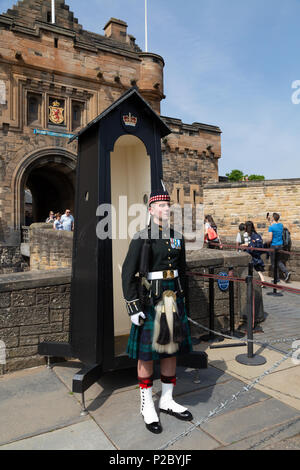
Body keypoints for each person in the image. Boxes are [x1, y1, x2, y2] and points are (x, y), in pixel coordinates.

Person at [122, 188, 193, 434]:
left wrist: (185, 301)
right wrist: (133, 306)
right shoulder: (142, 237)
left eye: (167, 205)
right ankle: (146, 406)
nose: (165, 209)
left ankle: (167, 399)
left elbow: (182, 271)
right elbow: (128, 273)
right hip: (151, 299)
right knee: (147, 355)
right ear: (151, 210)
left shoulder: (177, 236)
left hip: (173, 297)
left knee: (170, 350)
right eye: (160, 205)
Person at [267, 213, 290, 282]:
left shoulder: (271, 227)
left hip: (274, 246)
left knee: (274, 263)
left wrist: (266, 243)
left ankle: (276, 279)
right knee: (279, 261)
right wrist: (269, 220)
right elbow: (274, 226)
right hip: (280, 246)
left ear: (273, 218)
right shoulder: (281, 225)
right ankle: (286, 272)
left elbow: (270, 239)